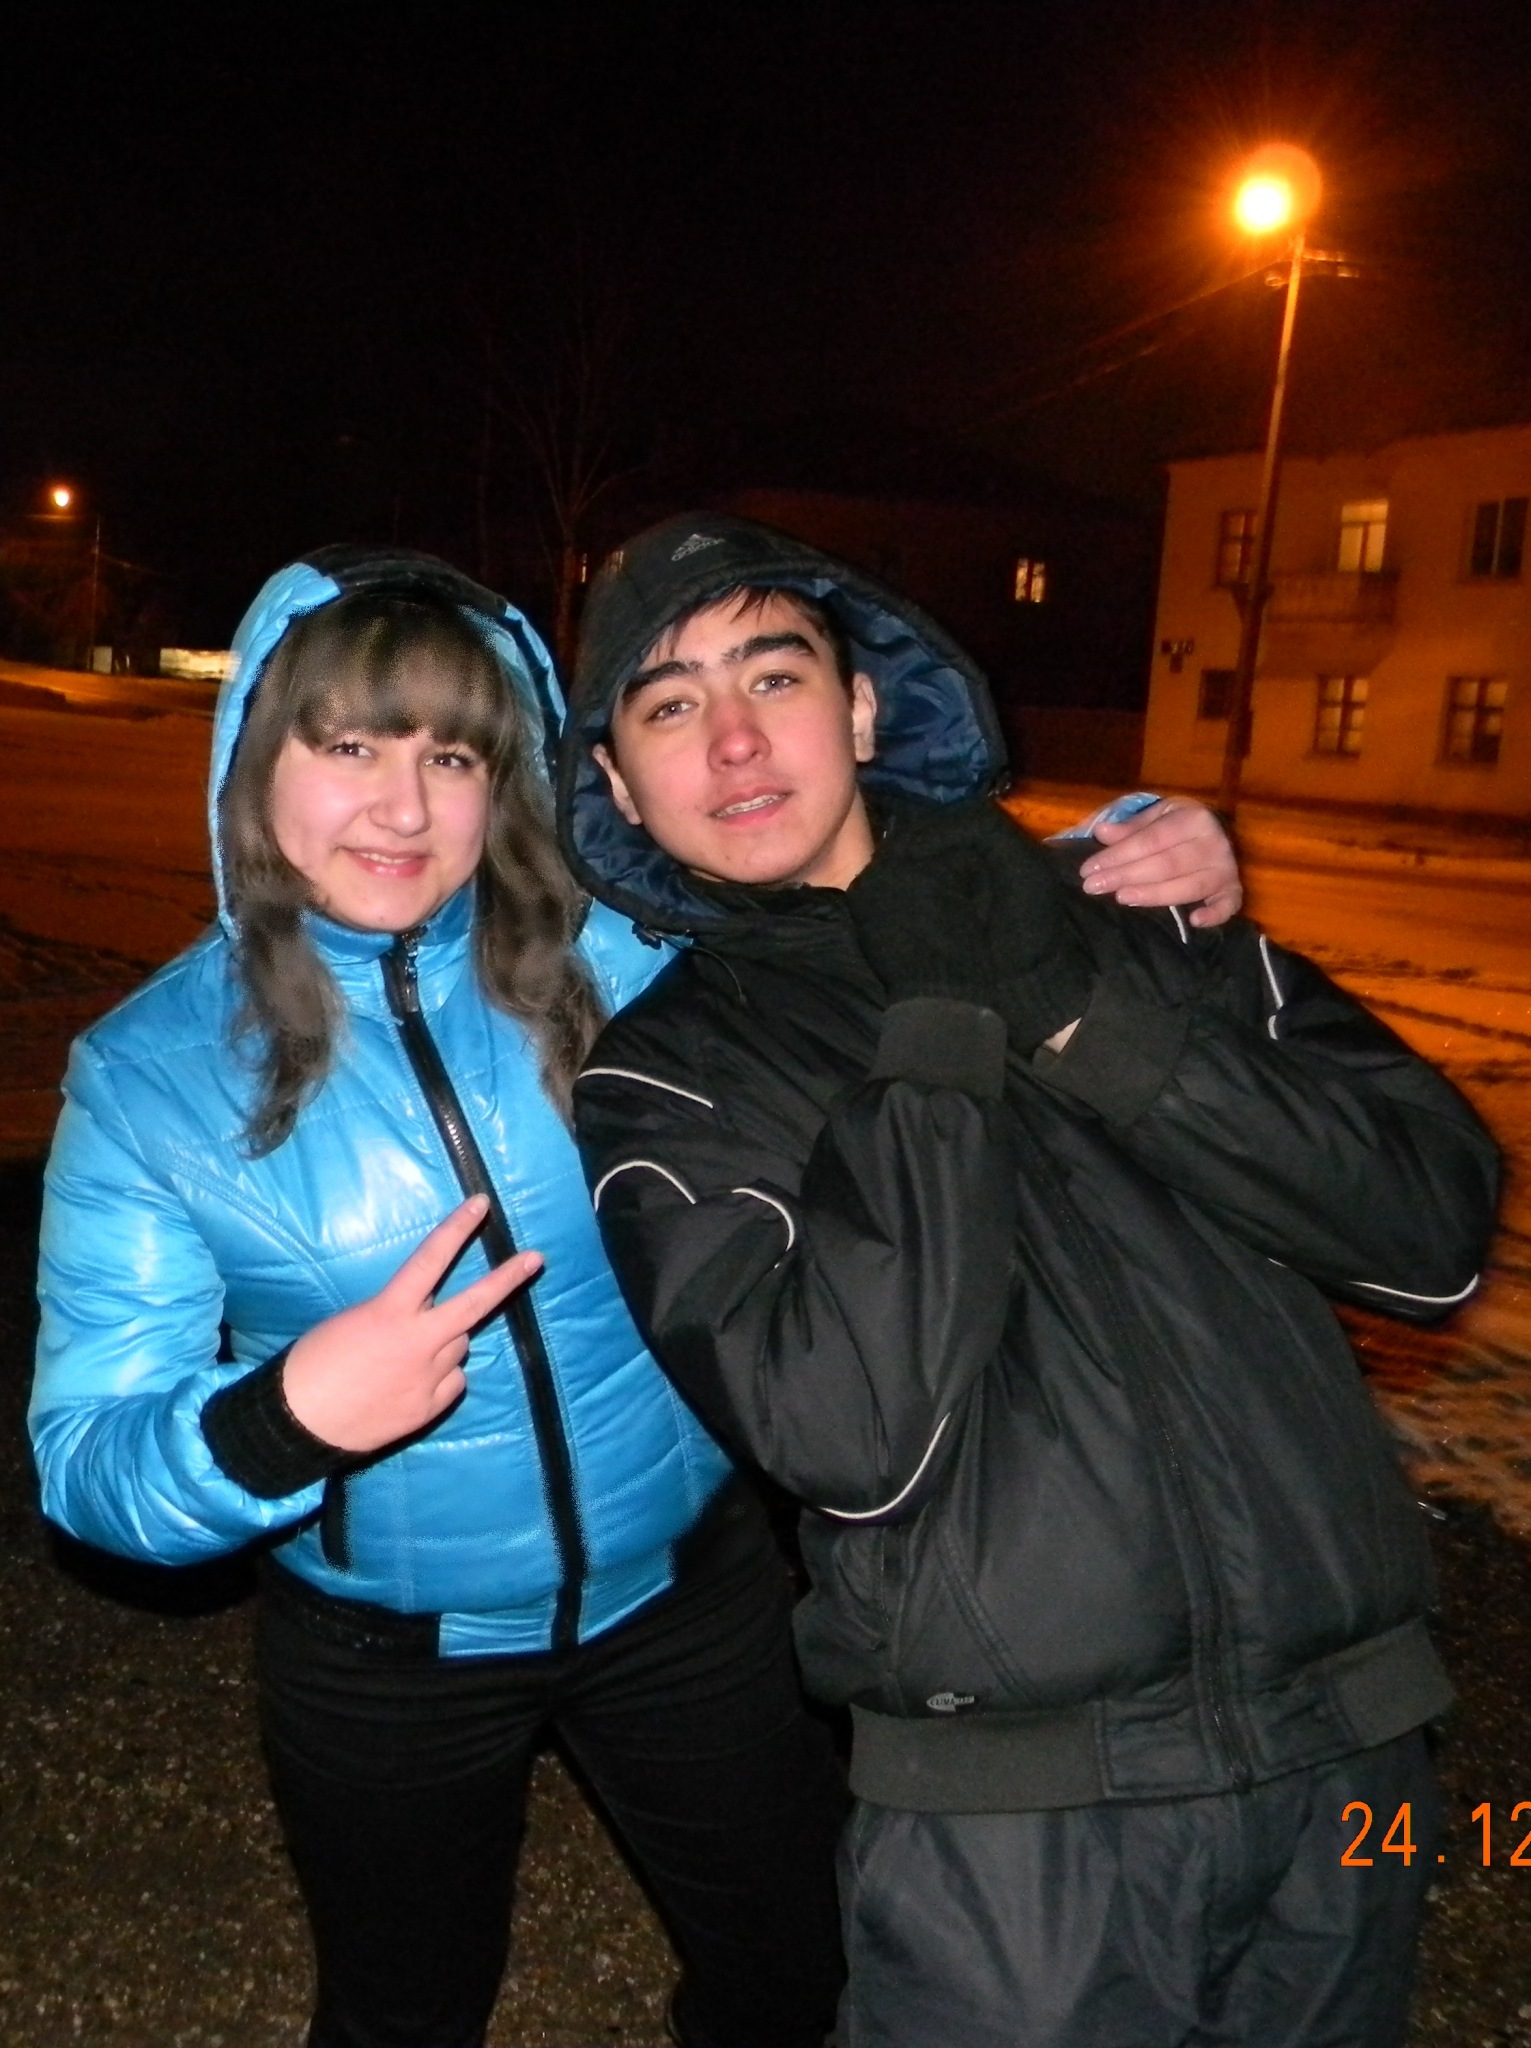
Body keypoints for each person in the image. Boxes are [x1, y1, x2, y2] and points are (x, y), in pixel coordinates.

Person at [29, 540, 1236, 2048]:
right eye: (349, 749)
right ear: (255, 764)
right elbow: (89, 1464)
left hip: (692, 1602)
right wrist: (284, 1420)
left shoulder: (632, 950)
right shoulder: (148, 1079)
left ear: (510, 778)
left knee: (800, 1972)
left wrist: (1126, 863)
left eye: (452, 757)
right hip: (384, 1660)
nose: (402, 809)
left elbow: (871, 904)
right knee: (402, 2011)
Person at [557, 512, 1502, 2048]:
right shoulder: (667, 1079)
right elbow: (849, 1432)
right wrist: (938, 1035)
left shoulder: (1128, 912)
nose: (734, 741)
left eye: (776, 677)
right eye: (670, 707)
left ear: (864, 709)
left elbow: (1431, 1228)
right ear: (617, 783)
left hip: (1355, 1778)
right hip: (1018, 1828)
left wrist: (1080, 1016)